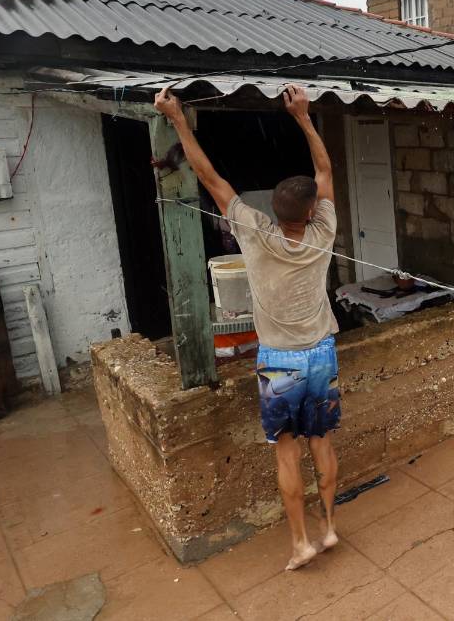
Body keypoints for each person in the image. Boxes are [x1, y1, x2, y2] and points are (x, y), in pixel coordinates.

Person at [154, 84, 340, 571]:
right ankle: (329, 529)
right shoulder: (323, 230)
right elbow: (324, 172)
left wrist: (177, 119)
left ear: (273, 210)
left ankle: (300, 543)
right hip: (321, 353)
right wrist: (302, 116)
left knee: (287, 454)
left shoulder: (254, 230)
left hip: (279, 360)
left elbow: (209, 176)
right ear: (311, 211)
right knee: (321, 442)